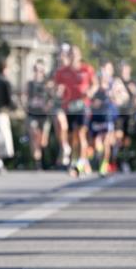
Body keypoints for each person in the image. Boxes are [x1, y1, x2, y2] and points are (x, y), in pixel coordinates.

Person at [54, 45, 96, 177]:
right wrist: (58, 91)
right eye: (71, 54)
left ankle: (81, 163)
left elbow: (95, 84)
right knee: (72, 137)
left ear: (80, 55)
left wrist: (90, 92)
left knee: (81, 133)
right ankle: (76, 160)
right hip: (69, 106)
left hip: (83, 105)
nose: (73, 56)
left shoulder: (87, 69)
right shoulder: (62, 72)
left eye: (75, 54)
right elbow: (56, 87)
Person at [24, 59, 52, 170]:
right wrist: (26, 104)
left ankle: (43, 158)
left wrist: (47, 106)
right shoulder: (29, 84)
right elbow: (24, 96)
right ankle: (37, 162)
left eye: (40, 70)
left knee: (43, 141)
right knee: (34, 135)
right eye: (35, 69)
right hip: (32, 114)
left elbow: (52, 99)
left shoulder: (47, 85)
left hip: (44, 115)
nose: (37, 72)